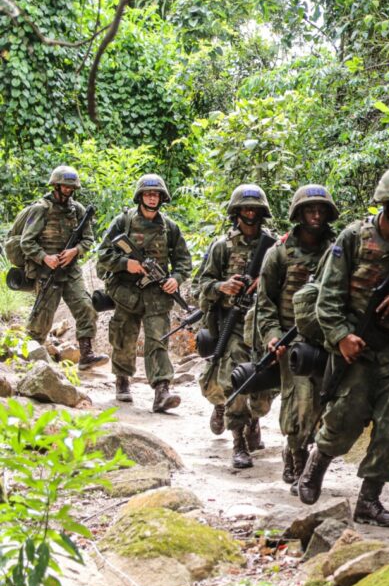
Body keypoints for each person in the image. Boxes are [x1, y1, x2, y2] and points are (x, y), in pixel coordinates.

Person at [295, 167, 389, 527]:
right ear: (386, 202)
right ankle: (316, 464)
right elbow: (327, 298)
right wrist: (341, 336)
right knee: (344, 418)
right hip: (355, 347)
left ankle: (369, 500)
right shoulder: (353, 239)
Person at [255, 184, 338, 485]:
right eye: (309, 210)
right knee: (300, 401)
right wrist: (272, 335)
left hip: (329, 338)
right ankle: (296, 453)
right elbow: (265, 301)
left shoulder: (337, 250)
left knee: (325, 403)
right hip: (292, 341)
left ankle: (305, 449)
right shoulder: (279, 252)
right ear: (299, 214)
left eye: (320, 210)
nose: (316, 215)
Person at [195, 184, 277, 468]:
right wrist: (223, 286)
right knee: (235, 380)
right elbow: (202, 285)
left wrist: (264, 282)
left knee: (265, 388)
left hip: (265, 325)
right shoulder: (222, 247)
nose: (250, 213)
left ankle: (253, 419)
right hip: (234, 325)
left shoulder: (274, 246)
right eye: (245, 208)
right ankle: (238, 440)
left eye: (254, 208)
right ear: (236, 212)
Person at [97, 173, 191, 412]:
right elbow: (103, 254)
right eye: (148, 194)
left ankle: (162, 390)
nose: (152, 198)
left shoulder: (169, 227)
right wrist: (125, 264)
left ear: (162, 198)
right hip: (127, 291)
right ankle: (122, 379)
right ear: (140, 196)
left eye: (156, 194)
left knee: (158, 340)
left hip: (157, 295)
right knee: (124, 337)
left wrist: (175, 279)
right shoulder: (124, 222)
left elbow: (183, 261)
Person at [20, 166, 108, 369]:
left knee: (86, 308)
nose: (68, 190)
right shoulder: (40, 209)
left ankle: (86, 355)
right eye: (65, 186)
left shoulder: (78, 210)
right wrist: (44, 257)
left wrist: (75, 251)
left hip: (71, 269)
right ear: (56, 186)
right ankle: (29, 359)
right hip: (47, 271)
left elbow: (88, 239)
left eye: (71, 187)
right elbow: (26, 242)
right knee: (41, 316)